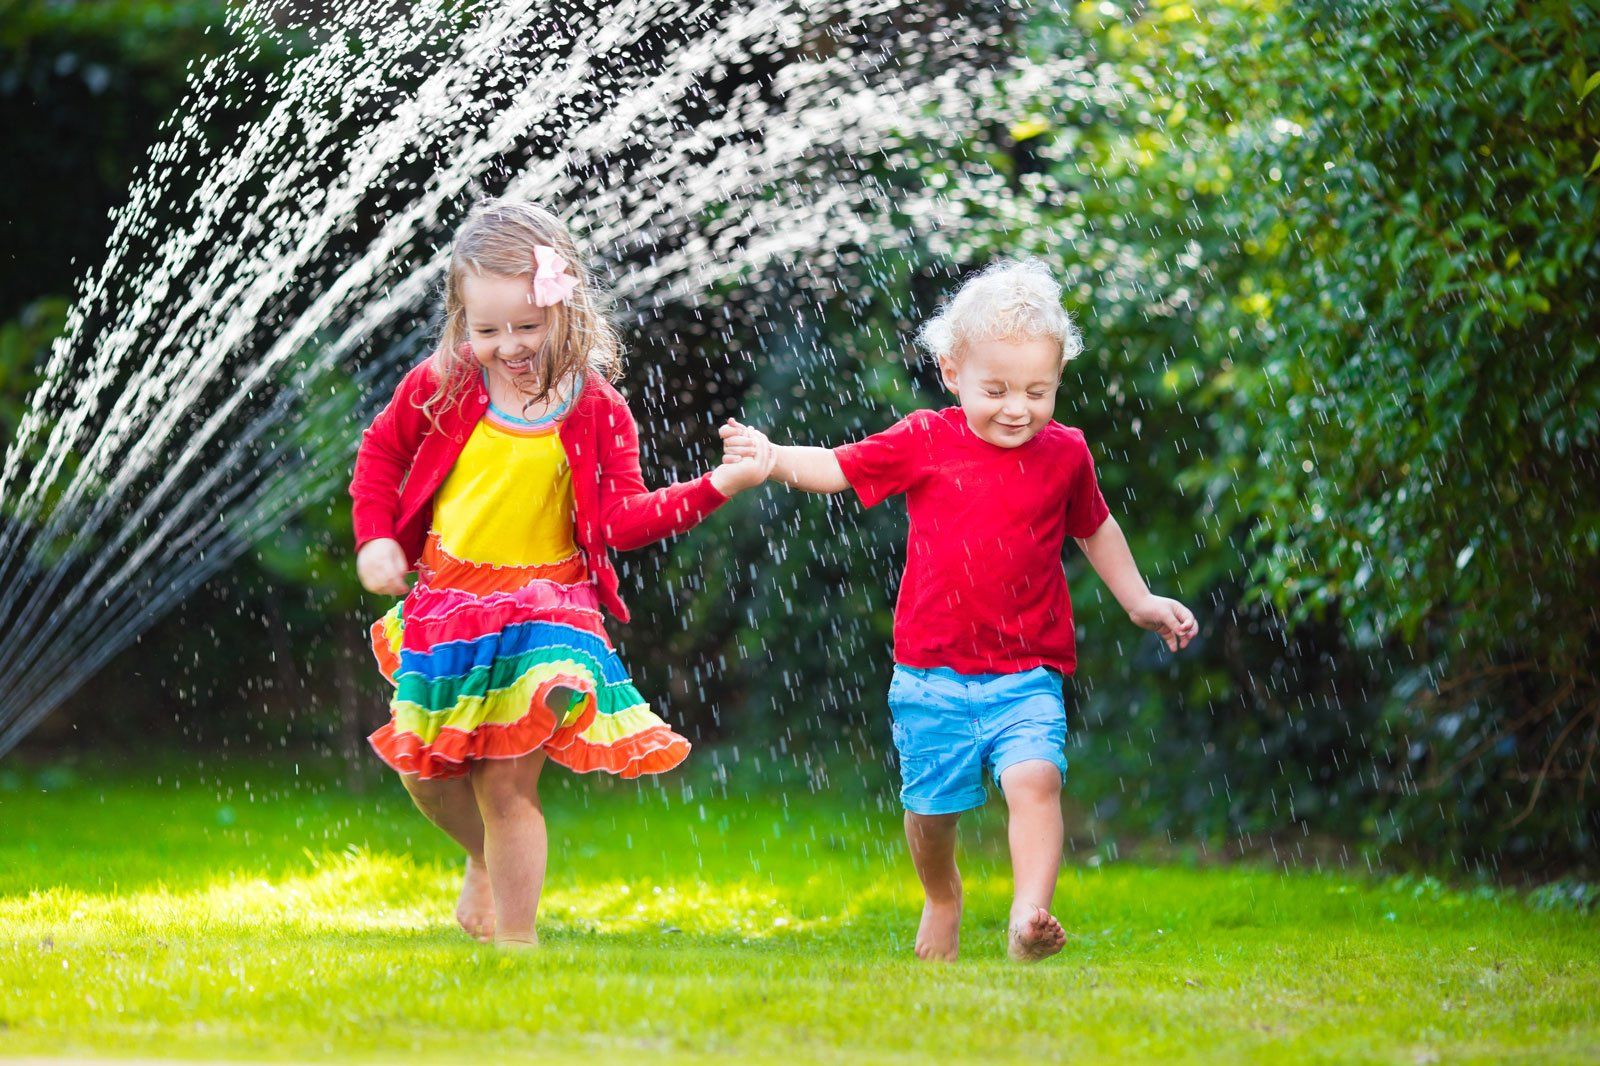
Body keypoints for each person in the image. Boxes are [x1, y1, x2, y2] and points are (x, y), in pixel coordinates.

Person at [719, 259, 1197, 962]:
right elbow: (841, 466)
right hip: (931, 672)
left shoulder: (1065, 454)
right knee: (932, 812)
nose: (1017, 408)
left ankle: (1030, 917)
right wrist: (774, 458)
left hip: (1026, 669)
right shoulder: (927, 440)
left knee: (1037, 779)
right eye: (996, 388)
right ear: (952, 373)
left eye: (1039, 391)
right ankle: (943, 895)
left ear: (1059, 379)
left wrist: (1140, 599)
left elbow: (1095, 528)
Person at [349, 199, 771, 947]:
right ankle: (485, 860)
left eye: (527, 326)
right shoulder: (442, 382)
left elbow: (623, 521)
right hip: (451, 600)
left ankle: (517, 944)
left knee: (506, 782)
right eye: (487, 330)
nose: (509, 345)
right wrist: (375, 540)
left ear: (564, 309)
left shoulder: (597, 407)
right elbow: (381, 456)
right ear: (461, 320)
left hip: (548, 604)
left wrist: (716, 487)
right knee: (424, 773)